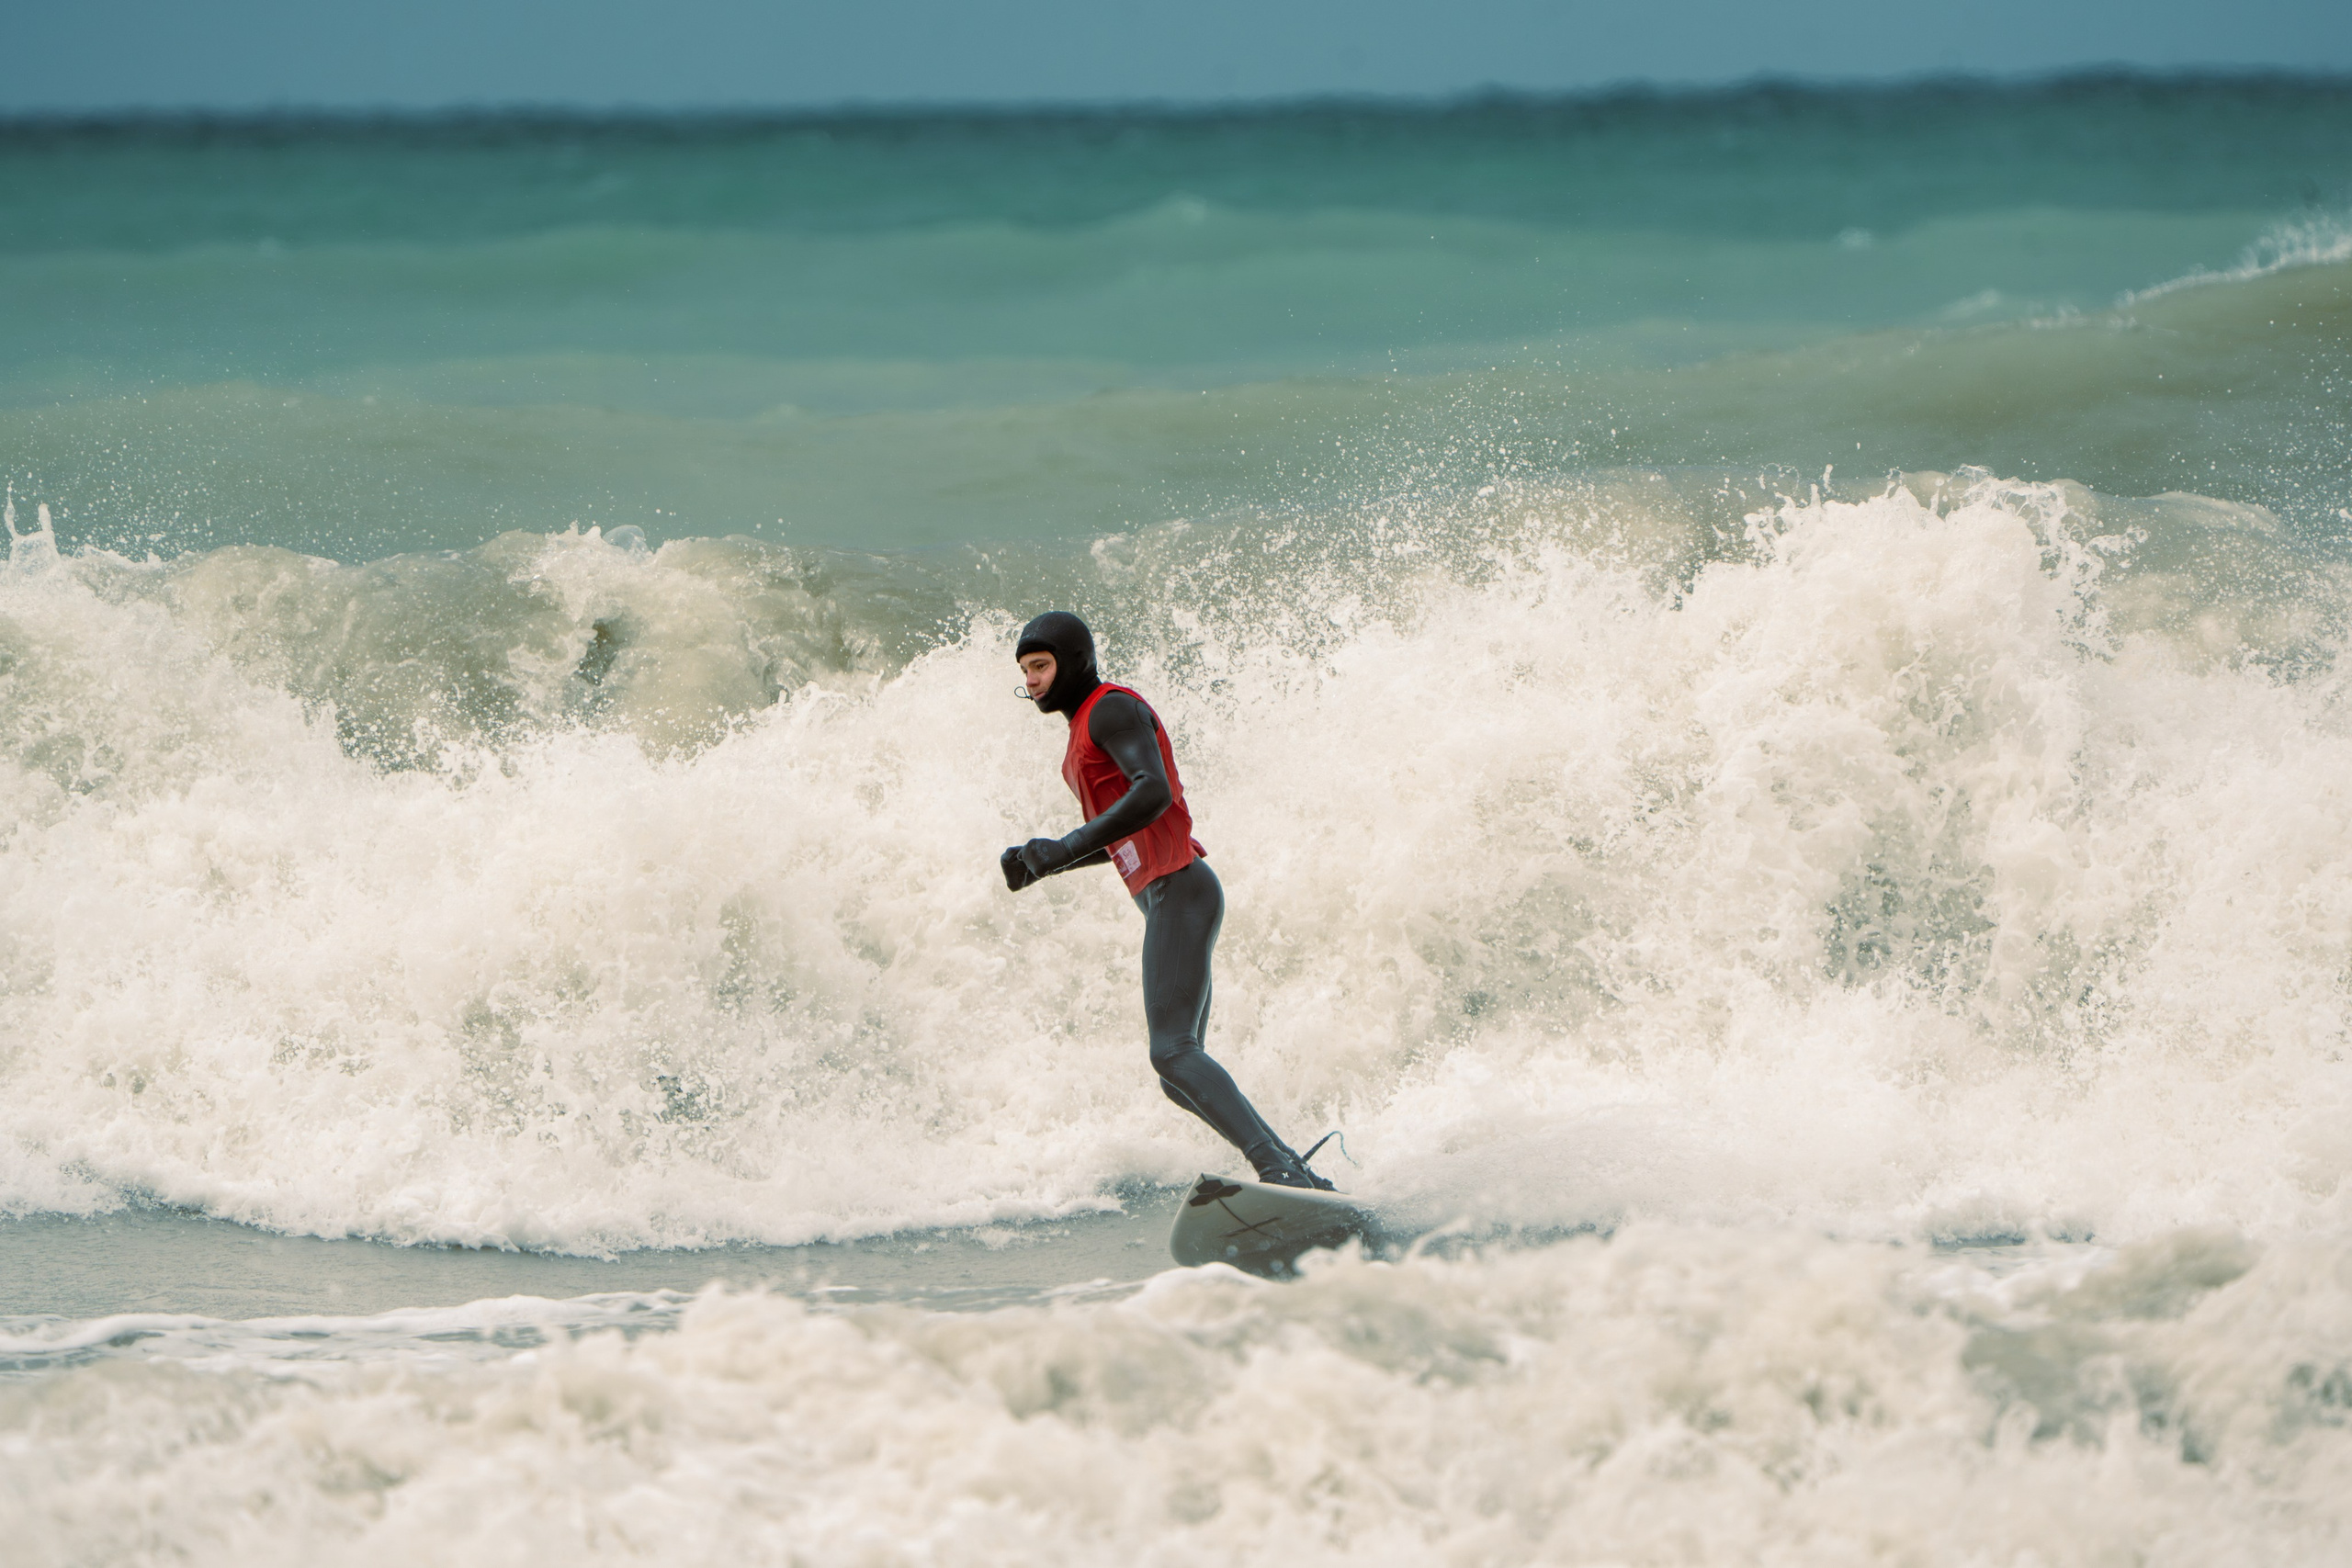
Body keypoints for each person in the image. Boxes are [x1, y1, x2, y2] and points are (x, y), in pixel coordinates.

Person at [1001, 611, 1333, 1190]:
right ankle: (1290, 1167)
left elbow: (1151, 792)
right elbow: (1123, 836)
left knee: (1172, 1053)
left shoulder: (1110, 708)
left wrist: (1067, 844)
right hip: (1164, 896)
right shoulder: (1080, 734)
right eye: (1025, 670)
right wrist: (1045, 862)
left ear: (1074, 663)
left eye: (1041, 666)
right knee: (1175, 1070)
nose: (1031, 680)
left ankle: (1279, 1168)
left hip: (1181, 887)